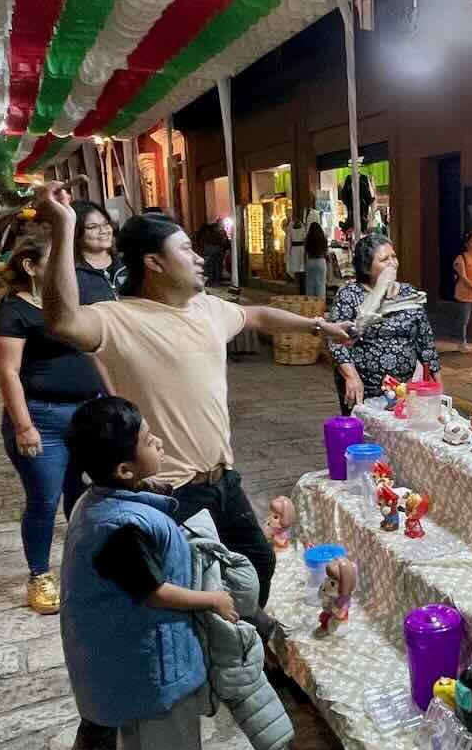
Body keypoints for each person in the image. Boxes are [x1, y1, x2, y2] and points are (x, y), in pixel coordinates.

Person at [36, 183, 353, 612]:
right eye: (186, 250)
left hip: (223, 478)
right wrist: (63, 229)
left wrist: (318, 326)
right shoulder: (118, 319)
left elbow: (257, 315)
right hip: (171, 492)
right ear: (154, 262)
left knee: (256, 562)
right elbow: (61, 320)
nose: (200, 258)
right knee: (192, 587)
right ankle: (213, 660)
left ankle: (241, 644)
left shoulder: (207, 308)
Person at [60, 396, 239, 750]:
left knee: (137, 733)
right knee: (173, 740)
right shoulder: (120, 526)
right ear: (123, 469)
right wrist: (213, 599)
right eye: (147, 439)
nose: (157, 440)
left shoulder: (96, 502)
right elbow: (153, 592)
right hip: (151, 656)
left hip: (119, 655)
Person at [0, 236, 106, 615]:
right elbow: (8, 372)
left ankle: (86, 563)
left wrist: (114, 398)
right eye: (55, 262)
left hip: (87, 414)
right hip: (44, 418)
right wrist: (23, 425)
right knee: (44, 499)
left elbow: (96, 353)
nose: (66, 270)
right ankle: (39, 574)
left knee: (84, 495)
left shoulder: (71, 306)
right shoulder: (11, 310)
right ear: (30, 266)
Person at [325, 233, 439, 412]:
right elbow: (336, 341)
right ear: (366, 267)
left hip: (405, 389)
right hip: (365, 389)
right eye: (384, 259)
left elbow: (426, 344)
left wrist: (439, 391)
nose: (392, 263)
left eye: (394, 256)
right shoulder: (349, 294)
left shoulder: (410, 294)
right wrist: (351, 376)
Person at [72, 198, 125, 303]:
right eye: (93, 227)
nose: (103, 231)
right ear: (76, 234)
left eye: (106, 224)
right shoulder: (72, 274)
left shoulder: (128, 264)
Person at [303, 221, 328, 300]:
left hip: (310, 261)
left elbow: (305, 252)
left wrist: (305, 263)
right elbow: (326, 251)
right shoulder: (323, 238)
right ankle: (320, 306)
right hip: (321, 261)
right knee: (321, 285)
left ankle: (311, 306)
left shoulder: (308, 238)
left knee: (310, 285)